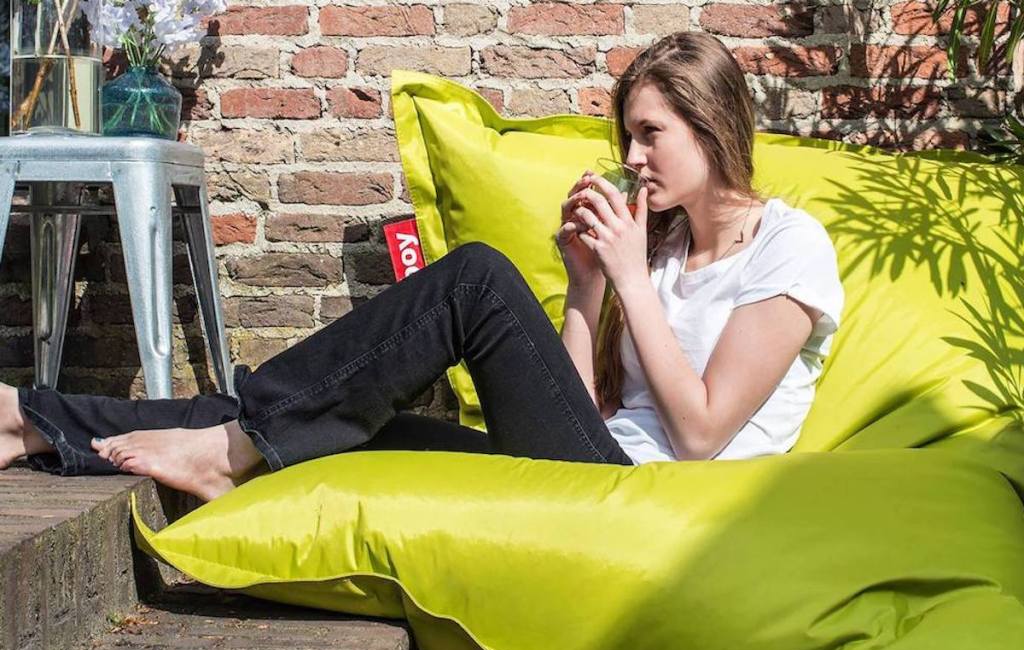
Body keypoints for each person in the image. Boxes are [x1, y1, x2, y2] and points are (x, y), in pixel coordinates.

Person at [0, 31, 843, 502]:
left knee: (476, 279)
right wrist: (588, 285)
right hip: (599, 469)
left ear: (712, 125)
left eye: (651, 133)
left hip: (657, 503)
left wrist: (623, 277)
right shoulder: (657, 247)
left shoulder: (788, 247)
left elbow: (699, 436)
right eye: (627, 134)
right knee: (332, 421)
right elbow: (583, 414)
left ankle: (225, 444)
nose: (631, 154)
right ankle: (35, 422)